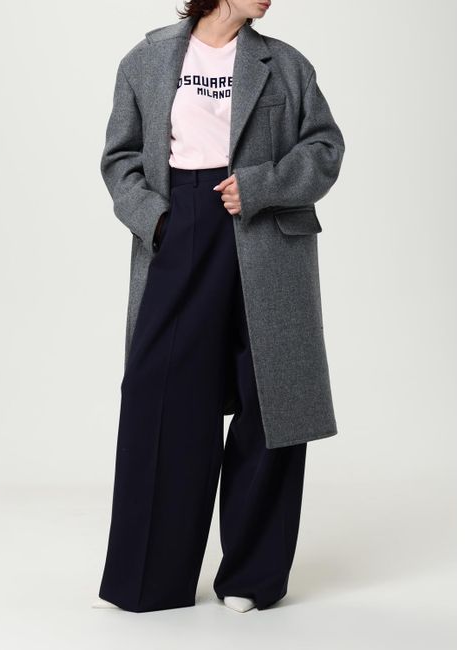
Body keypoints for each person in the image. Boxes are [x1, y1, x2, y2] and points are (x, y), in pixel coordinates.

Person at [94, 0, 345, 614]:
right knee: (161, 398)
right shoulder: (147, 59)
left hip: (265, 234)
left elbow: (325, 147)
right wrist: (158, 220)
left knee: (271, 400)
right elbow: (120, 158)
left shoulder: (286, 64)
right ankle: (149, 582)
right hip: (180, 224)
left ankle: (252, 578)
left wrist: (263, 184)